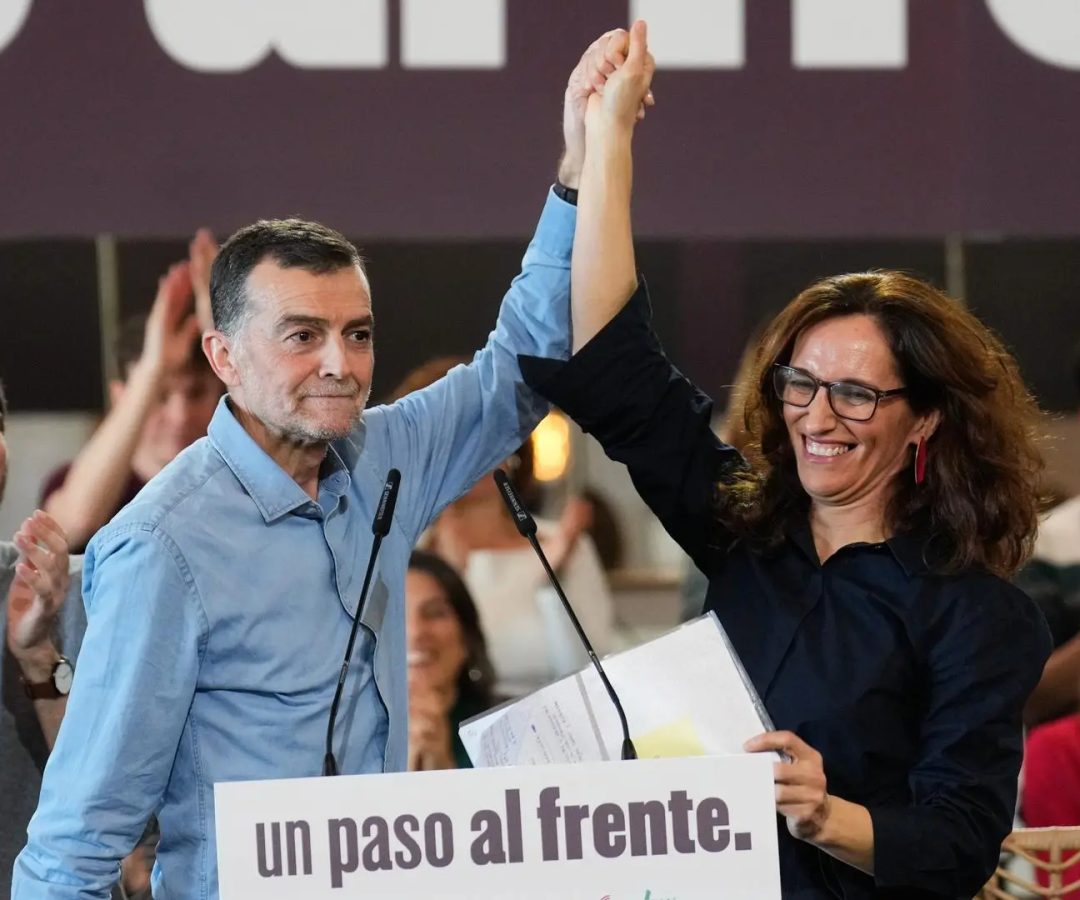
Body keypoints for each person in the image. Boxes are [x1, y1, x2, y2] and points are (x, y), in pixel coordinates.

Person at [13, 32, 631, 899]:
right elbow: (76, 842)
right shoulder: (163, 547)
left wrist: (579, 162)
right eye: (303, 337)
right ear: (223, 356)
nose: (340, 363)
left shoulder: (385, 455)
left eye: (359, 334)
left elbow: (522, 362)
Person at [518, 21, 1051, 898]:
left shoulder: (977, 615)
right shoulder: (746, 526)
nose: (817, 417)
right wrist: (603, 144)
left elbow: (959, 843)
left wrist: (823, 812)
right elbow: (621, 365)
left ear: (924, 422)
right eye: (800, 384)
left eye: (856, 394)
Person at [393, 357, 616, 695]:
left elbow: (595, 680)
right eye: (455, 436)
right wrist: (453, 578)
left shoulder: (563, 545)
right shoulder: (404, 554)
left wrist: (550, 584)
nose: (476, 450)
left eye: (487, 430)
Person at [41, 261, 222, 552]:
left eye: (197, 393)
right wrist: (152, 368)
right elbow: (73, 525)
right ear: (122, 396)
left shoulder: (231, 484)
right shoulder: (69, 481)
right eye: (159, 396)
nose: (180, 416)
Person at [405, 550, 496, 770]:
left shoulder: (511, 730)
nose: (415, 632)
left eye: (435, 613)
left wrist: (442, 766)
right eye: (394, 616)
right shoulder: (329, 735)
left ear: (466, 634)